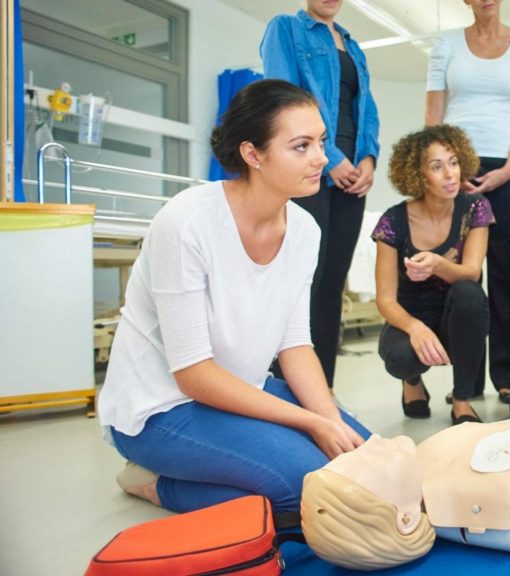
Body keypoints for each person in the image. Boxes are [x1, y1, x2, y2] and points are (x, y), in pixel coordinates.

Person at [98, 80, 370, 514]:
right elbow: (193, 375)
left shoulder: (304, 231)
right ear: (253, 154)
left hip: (243, 390)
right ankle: (155, 484)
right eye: (301, 146)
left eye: (321, 141)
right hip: (160, 409)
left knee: (363, 466)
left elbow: (296, 344)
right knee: (305, 491)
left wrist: (331, 421)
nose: (322, 158)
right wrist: (309, 421)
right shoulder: (186, 222)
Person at [424, 0, 510, 405]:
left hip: (507, 168)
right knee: (462, 274)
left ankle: (508, 373)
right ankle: (467, 379)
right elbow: (434, 112)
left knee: (507, 275)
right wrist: (440, 168)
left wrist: (509, 168)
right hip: (456, 168)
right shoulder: (445, 44)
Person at [261, 0, 381, 386]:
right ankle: (286, 391)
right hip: (308, 170)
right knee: (301, 287)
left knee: (331, 287)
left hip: (351, 177)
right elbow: (282, 100)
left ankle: (321, 391)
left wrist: (368, 159)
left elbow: (368, 109)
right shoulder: (286, 29)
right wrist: (328, 157)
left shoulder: (354, 45)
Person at [372, 125, 493, 426]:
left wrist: (438, 264)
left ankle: (462, 400)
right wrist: (414, 328)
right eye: (437, 167)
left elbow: (471, 273)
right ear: (418, 174)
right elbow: (385, 300)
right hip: (408, 316)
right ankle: (412, 382)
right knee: (401, 358)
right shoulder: (393, 221)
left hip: (455, 316)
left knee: (470, 293)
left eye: (453, 162)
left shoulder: (475, 208)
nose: (450, 174)